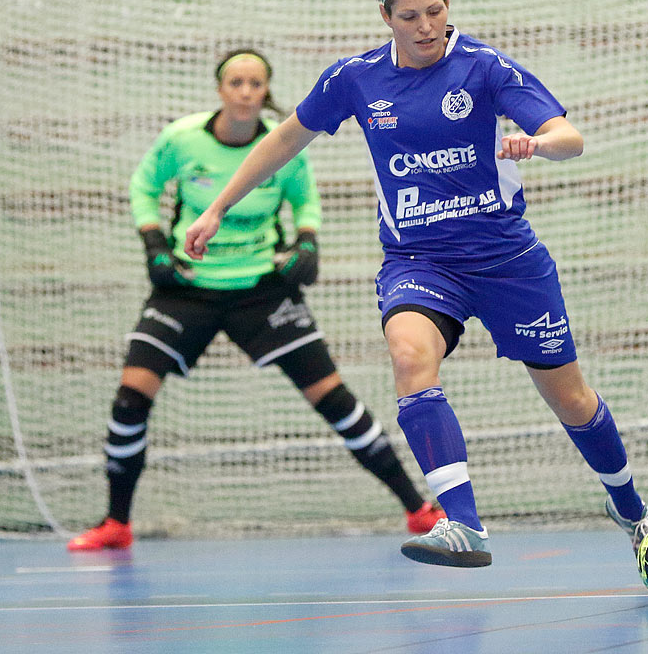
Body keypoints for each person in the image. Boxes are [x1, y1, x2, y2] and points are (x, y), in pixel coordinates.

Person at [182, 0, 648, 568]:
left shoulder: (484, 67)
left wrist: (538, 145)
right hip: (419, 261)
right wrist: (216, 207)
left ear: (448, 5)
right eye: (411, 17)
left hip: (507, 258)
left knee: (570, 398)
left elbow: (569, 136)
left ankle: (628, 505)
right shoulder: (354, 78)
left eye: (435, 11)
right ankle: (462, 524)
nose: (426, 26)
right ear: (387, 18)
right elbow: (284, 140)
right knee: (410, 356)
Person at [66, 49, 442, 551]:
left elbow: (305, 198)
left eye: (255, 83)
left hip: (262, 291)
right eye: (236, 82)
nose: (245, 92)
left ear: (266, 90)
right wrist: (153, 241)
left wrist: (307, 240)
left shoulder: (282, 144)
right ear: (220, 89)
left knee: (332, 398)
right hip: (187, 288)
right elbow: (142, 186)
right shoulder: (182, 139)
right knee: (131, 396)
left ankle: (418, 509)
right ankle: (116, 523)